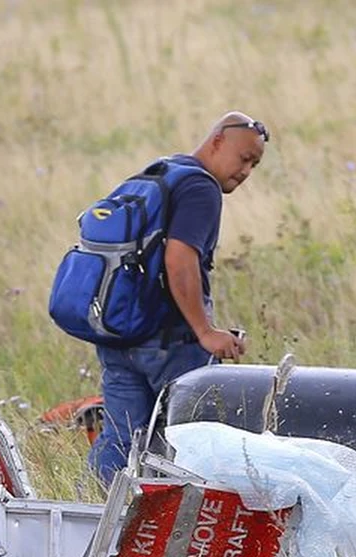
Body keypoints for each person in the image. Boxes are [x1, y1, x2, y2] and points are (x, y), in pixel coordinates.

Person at [89, 111, 268, 485]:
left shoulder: (161, 173)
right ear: (217, 141)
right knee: (191, 442)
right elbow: (180, 258)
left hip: (120, 335)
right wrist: (205, 332)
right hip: (169, 342)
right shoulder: (201, 188)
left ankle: (90, 503)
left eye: (254, 164)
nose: (246, 171)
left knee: (121, 437)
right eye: (244, 158)